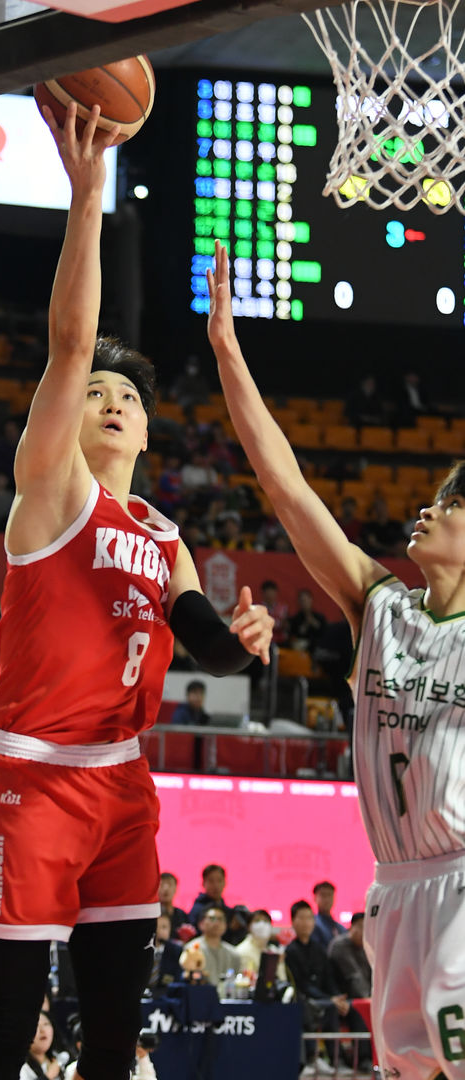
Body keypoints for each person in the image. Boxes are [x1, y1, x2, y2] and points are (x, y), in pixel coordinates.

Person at [0, 104, 273, 1080]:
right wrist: (88, 193)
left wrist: (242, 642)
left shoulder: (163, 534)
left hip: (122, 783)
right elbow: (68, 344)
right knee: (9, 1028)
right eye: (97, 394)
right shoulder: (54, 495)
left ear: (144, 435)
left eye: (125, 398)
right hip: (31, 776)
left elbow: (203, 644)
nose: (108, 401)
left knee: (108, 1029)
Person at [209, 236, 465, 1080]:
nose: (426, 511)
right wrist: (225, 348)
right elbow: (286, 489)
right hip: (391, 886)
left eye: (449, 506)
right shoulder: (377, 602)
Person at [284, 900, 348, 1077]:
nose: (306, 922)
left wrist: (336, 996)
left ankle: (338, 1059)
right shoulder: (290, 951)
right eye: (301, 918)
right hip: (303, 998)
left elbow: (328, 978)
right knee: (322, 1007)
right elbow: (301, 984)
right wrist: (330, 1000)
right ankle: (312, 1057)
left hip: (324, 997)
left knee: (341, 1007)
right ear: (293, 921)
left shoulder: (319, 949)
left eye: (309, 918)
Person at [179, 907, 241, 988]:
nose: (216, 923)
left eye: (220, 919)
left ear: (226, 925)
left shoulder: (233, 953)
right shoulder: (192, 949)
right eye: (212, 918)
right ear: (201, 924)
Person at [19, 1011, 66, 1080]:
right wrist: (48, 1076)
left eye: (46, 1024)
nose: (42, 1030)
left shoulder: (59, 1057)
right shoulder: (21, 1068)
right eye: (35, 1025)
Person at [146, 913, 183, 997]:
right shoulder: (141, 950)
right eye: (156, 926)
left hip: (166, 996)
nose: (159, 931)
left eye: (164, 927)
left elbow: (177, 980)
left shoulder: (176, 950)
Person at [187, 863, 231, 931]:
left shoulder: (228, 911)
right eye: (211, 881)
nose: (216, 885)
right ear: (203, 883)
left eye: (219, 880)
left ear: (225, 882)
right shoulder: (196, 910)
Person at [310, 880, 346, 952]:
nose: (327, 899)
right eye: (323, 895)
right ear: (315, 898)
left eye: (330, 895)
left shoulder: (341, 928)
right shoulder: (311, 924)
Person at [157, 872, 189, 939]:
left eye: (170, 884)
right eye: (161, 885)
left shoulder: (182, 915)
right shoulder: (152, 914)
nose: (166, 888)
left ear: (176, 889)